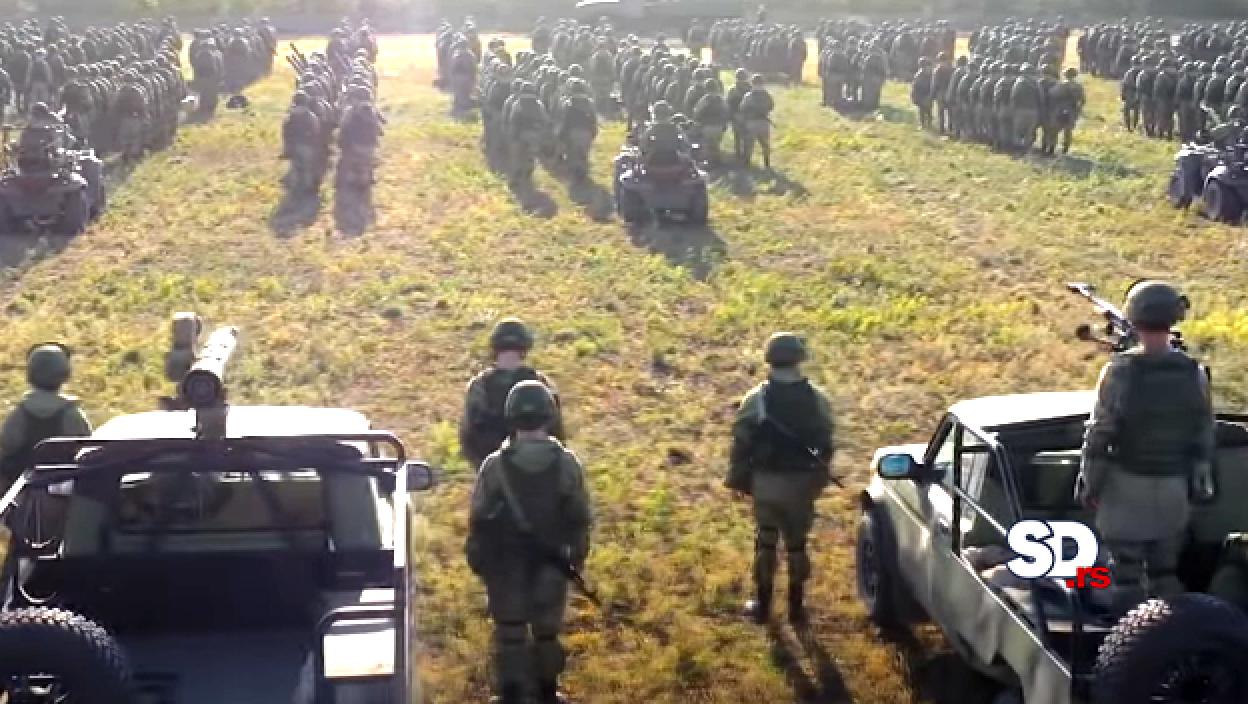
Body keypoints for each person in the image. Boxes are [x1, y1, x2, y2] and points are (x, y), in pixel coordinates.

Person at [1078, 281, 1214, 613]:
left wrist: (1089, 483)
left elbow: (1100, 434)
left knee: (1123, 576)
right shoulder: (1193, 372)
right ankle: (1168, 633)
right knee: (1164, 574)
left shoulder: (1120, 371)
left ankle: (1121, 637)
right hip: (1173, 490)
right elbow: (1203, 431)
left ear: (1134, 318)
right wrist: (1198, 481)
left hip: (1127, 487)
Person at [466, 380, 592, 704]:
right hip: (552, 563)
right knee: (547, 633)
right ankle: (548, 692)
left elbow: (478, 518)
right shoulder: (567, 464)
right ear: (549, 415)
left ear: (511, 416)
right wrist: (575, 559)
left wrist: (480, 561)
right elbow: (580, 517)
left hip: (505, 565)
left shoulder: (494, 466)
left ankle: (510, 694)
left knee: (510, 632)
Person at [726, 333, 835, 625]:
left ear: (770, 359)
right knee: (797, 544)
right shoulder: (818, 398)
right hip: (802, 484)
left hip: (767, 482)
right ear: (799, 359)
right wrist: (818, 480)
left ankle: (762, 606)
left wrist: (737, 480)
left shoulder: (756, 399)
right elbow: (826, 441)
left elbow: (741, 442)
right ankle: (796, 607)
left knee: (766, 541)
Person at [460, 318, 565, 471]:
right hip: (543, 471)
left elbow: (468, 439)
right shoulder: (542, 384)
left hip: (495, 472)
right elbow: (558, 434)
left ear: (495, 348)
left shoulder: (479, 386)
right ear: (525, 348)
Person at [0, 343, 92, 494]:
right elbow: (87, 449)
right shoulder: (73, 415)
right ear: (65, 374)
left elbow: (6, 450)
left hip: (21, 492)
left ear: (30, 375)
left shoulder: (18, 415)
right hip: (63, 491)